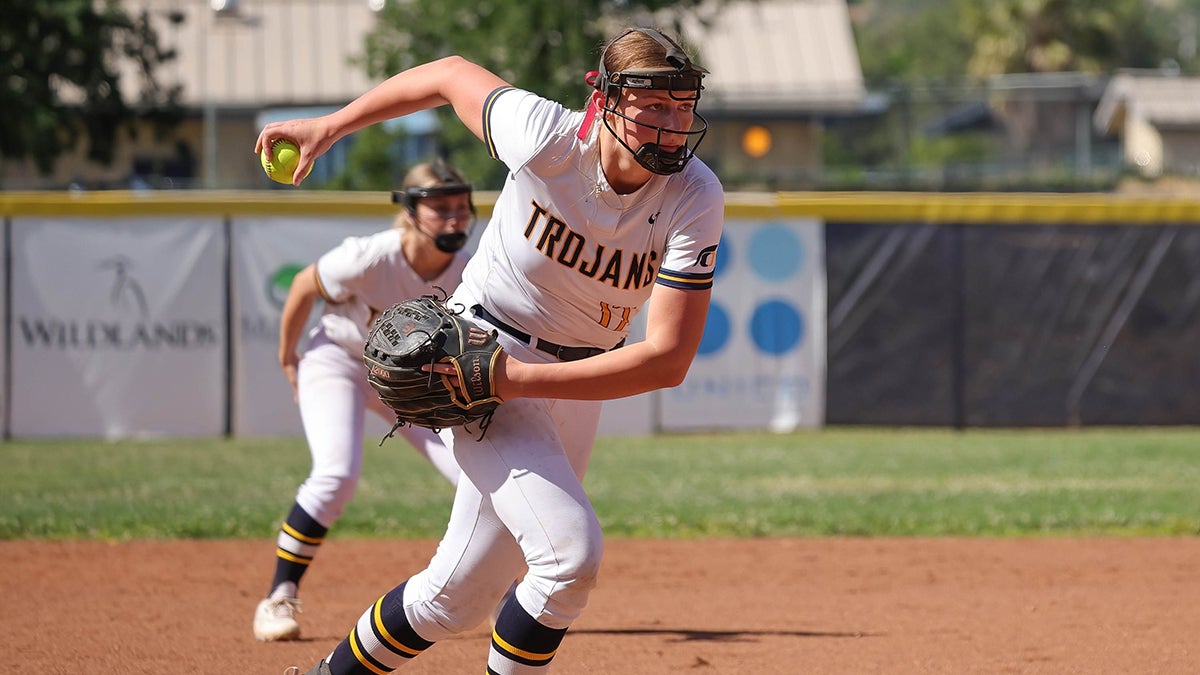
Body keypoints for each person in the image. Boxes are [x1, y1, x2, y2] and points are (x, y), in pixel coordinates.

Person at [256, 25, 724, 673]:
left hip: (561, 380)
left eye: (683, 106)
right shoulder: (547, 136)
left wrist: (516, 380)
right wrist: (331, 126)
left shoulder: (695, 194)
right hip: (477, 355)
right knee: (568, 559)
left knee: (454, 598)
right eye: (654, 106)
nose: (673, 126)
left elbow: (668, 359)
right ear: (604, 101)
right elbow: (447, 73)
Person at [251, 161, 476, 642]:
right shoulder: (370, 256)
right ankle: (279, 595)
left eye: (461, 207)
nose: (455, 217)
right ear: (411, 211)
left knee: (477, 472)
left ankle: (492, 587)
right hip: (340, 358)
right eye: (441, 208)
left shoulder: (468, 269)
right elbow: (304, 285)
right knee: (336, 475)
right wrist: (288, 356)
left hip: (408, 379)